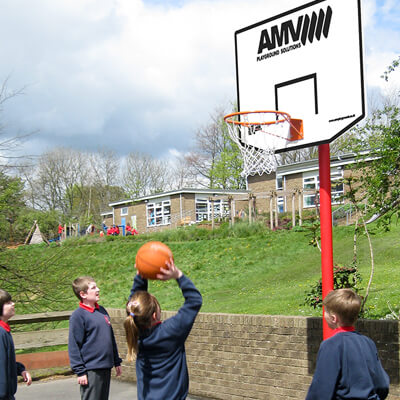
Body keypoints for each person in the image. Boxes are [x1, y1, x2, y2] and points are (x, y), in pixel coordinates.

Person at [125, 258, 202, 400]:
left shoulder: (134, 328)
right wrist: (178, 275)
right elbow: (194, 300)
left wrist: (141, 274)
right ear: (155, 315)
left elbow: (134, 305)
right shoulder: (170, 332)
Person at [306, 288, 389, 400]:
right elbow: (382, 385)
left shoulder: (330, 346)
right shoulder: (368, 343)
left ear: (333, 318)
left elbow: (321, 390)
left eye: (325, 311)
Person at [68, 277, 122, 400]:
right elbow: (74, 345)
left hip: (105, 366)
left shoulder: (102, 311)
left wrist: (116, 361)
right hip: (91, 370)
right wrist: (80, 371)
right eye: (93, 288)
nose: (98, 289)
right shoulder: (78, 316)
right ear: (83, 294)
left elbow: (110, 338)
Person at [0, 289, 32, 399]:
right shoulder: (0, 333)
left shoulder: (4, 330)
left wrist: (20, 369)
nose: (13, 304)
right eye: (8, 303)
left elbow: (7, 361)